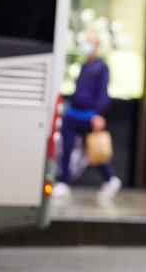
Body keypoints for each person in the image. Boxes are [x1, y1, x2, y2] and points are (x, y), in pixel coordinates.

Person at [53, 33, 121, 201]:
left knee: (94, 150)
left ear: (97, 46)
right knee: (66, 148)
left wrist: (98, 114)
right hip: (72, 113)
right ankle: (63, 182)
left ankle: (110, 178)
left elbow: (103, 94)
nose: (87, 46)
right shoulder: (84, 66)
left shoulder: (101, 67)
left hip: (88, 115)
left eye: (90, 42)